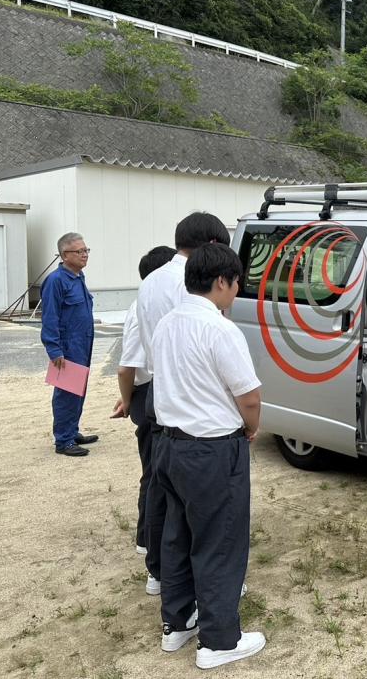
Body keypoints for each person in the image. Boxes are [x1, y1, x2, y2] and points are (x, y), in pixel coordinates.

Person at [151, 243, 265, 669]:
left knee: (178, 536)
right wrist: (251, 427)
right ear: (222, 281)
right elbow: (249, 396)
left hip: (170, 445)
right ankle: (219, 641)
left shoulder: (167, 323)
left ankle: (177, 622)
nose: (236, 292)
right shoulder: (219, 329)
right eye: (236, 283)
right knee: (220, 540)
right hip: (213, 449)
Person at [138, 212, 230, 596]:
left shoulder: (152, 280)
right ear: (210, 245)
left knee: (162, 489)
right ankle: (195, 581)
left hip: (159, 395)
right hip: (192, 404)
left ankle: (159, 572)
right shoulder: (193, 286)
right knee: (199, 504)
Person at [110, 245, 177, 555]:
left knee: (154, 470)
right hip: (148, 393)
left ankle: (149, 539)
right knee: (154, 472)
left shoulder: (142, 303)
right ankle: (147, 540)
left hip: (143, 394)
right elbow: (126, 367)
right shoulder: (146, 309)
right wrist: (126, 400)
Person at [40, 232, 97, 457]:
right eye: (79, 251)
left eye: (86, 250)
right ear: (65, 255)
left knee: (78, 389)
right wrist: (54, 349)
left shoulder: (78, 276)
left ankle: (72, 431)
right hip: (68, 344)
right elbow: (50, 317)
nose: (84, 255)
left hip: (83, 342)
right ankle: (63, 440)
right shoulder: (56, 281)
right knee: (66, 392)